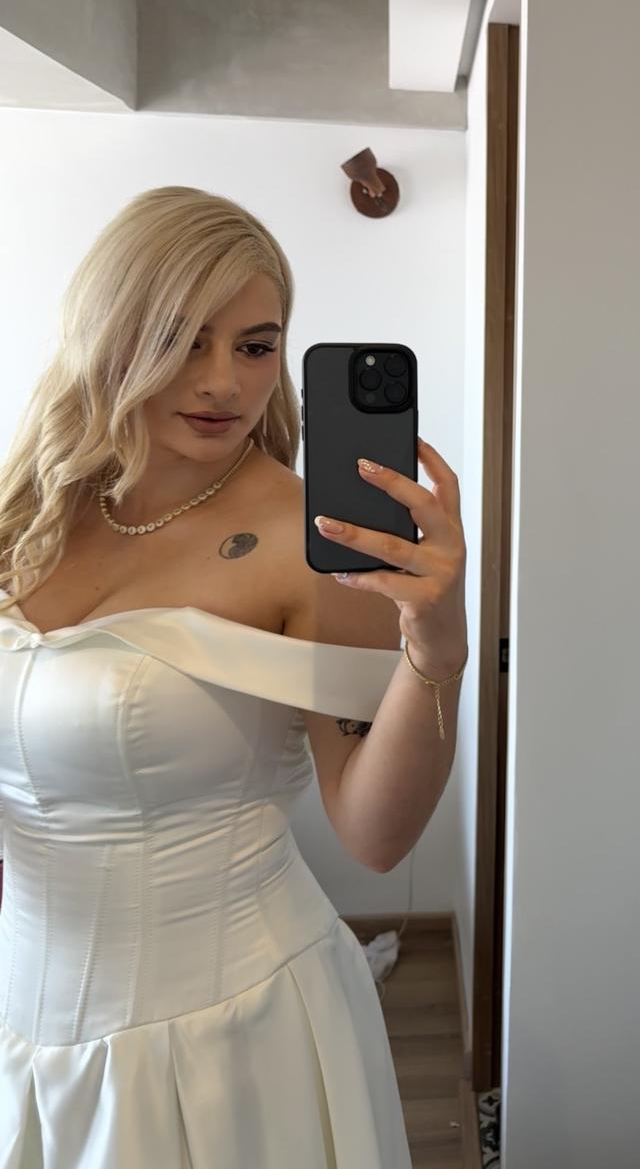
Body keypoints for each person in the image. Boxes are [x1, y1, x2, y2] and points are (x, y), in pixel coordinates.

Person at [0, 186, 468, 1167]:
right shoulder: (25, 512)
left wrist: (435, 649)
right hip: (24, 1034)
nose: (223, 382)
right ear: (108, 331)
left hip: (232, 1041)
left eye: (256, 346)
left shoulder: (313, 541)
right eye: (181, 338)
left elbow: (375, 836)